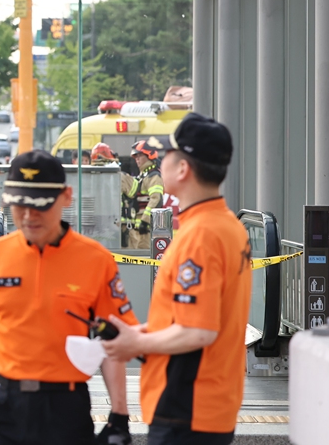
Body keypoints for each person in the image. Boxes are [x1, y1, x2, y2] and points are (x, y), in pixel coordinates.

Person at [0, 151, 136, 445]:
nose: (29, 216)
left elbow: (112, 341)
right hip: (3, 406)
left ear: (66, 197)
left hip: (66, 409)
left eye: (40, 206)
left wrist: (119, 416)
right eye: (20, 205)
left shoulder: (96, 261)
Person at [103, 113, 251, 445]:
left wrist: (136, 343)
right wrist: (139, 332)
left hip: (185, 407)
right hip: (210, 403)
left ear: (183, 169)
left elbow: (198, 330)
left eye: (166, 155)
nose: (160, 162)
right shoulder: (229, 227)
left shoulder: (199, 236)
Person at [126, 140, 165, 249]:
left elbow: (156, 199)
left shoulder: (154, 177)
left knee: (145, 259)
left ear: (149, 155)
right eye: (135, 156)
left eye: (140, 156)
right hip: (138, 227)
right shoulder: (143, 176)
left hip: (146, 228)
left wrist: (145, 221)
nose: (137, 159)